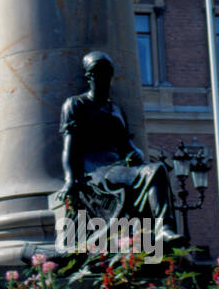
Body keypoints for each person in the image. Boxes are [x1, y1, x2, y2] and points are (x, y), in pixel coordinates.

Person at [58, 50, 181, 245]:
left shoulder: (116, 110)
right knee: (153, 172)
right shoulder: (76, 104)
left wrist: (134, 155)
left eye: (108, 73)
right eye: (99, 73)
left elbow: (129, 148)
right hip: (95, 171)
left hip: (119, 167)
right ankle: (161, 230)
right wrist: (70, 180)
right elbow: (69, 148)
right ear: (89, 77)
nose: (105, 78)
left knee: (156, 169)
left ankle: (160, 232)